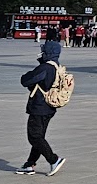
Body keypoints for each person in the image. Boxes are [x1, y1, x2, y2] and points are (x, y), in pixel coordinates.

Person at [18, 40, 67, 176]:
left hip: (40, 106)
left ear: (48, 52)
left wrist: (39, 65)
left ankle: (54, 160)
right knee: (39, 136)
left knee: (34, 137)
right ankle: (29, 164)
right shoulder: (56, 66)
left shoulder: (45, 68)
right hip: (49, 106)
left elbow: (26, 80)